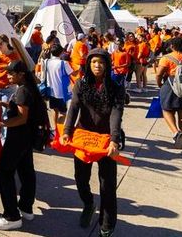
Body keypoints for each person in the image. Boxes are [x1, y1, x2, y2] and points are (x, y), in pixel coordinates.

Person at [60, 49, 125, 237]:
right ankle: (88, 203)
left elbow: (116, 114)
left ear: (107, 65)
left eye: (102, 62)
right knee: (80, 179)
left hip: (106, 141)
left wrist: (114, 140)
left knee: (107, 185)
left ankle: (106, 225)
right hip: (84, 139)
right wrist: (67, 131)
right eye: (94, 62)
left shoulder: (115, 87)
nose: (98, 65)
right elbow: (73, 108)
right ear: (88, 64)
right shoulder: (81, 84)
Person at [0, 61, 41, 231]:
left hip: (18, 138)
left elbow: (22, 118)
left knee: (4, 171)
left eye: (11, 73)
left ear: (21, 74)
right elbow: (22, 110)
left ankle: (11, 216)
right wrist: (5, 105)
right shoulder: (27, 88)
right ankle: (25, 207)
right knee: (26, 171)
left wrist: (0, 123)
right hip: (26, 138)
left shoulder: (23, 90)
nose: (8, 76)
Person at [39, 44, 74, 132]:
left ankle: (54, 129)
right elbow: (71, 73)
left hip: (50, 91)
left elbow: (43, 74)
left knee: (55, 111)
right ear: (61, 52)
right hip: (61, 92)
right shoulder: (63, 63)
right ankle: (60, 131)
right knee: (63, 113)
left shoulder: (46, 61)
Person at [0, 35, 20, 103]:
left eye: (0, 43)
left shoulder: (14, 55)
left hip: (8, 89)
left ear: (7, 43)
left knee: (6, 112)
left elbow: (18, 71)